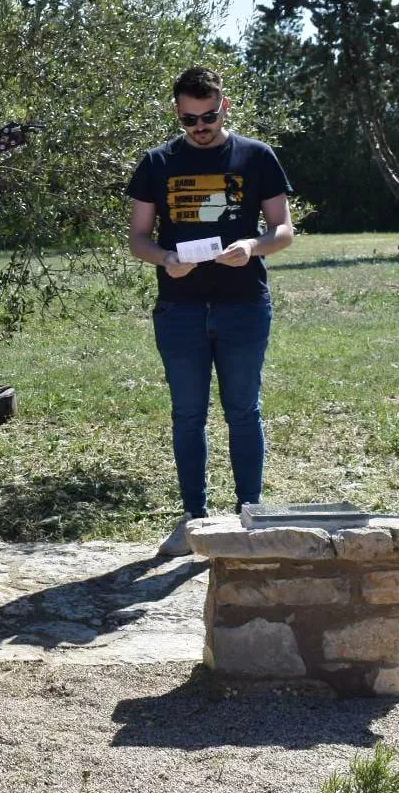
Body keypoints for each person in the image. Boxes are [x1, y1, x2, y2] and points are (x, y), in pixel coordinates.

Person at [126, 66, 295, 556]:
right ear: (177, 115)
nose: (200, 126)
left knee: (243, 411)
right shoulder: (156, 163)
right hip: (179, 308)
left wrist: (253, 246)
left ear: (225, 106)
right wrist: (166, 259)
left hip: (243, 304)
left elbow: (283, 229)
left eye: (208, 116)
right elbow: (138, 238)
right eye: (189, 119)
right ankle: (194, 520)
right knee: (187, 415)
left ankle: (251, 514)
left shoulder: (256, 156)